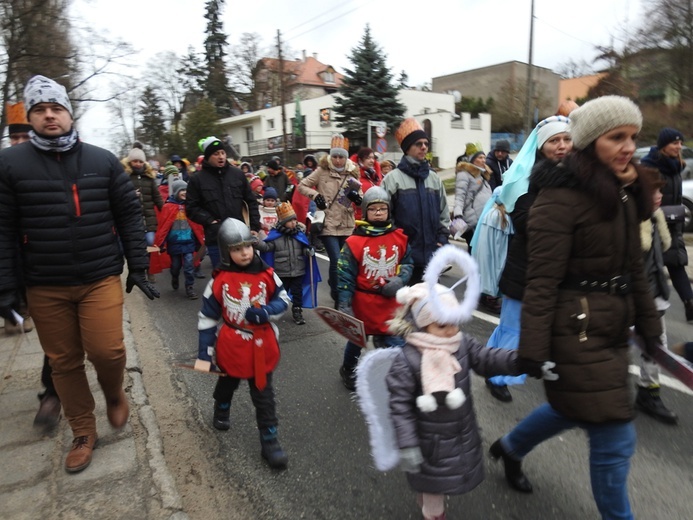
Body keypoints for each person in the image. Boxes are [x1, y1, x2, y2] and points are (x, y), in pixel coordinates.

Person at [489, 96, 662, 520]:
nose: (628, 147)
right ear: (589, 143)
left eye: (633, 137)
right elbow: (541, 280)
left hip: (612, 327)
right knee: (614, 434)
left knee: (573, 407)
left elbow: (633, 269)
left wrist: (650, 324)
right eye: (616, 137)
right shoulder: (557, 197)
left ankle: (509, 448)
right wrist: (532, 348)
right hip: (575, 330)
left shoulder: (622, 193)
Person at [0, 75, 159, 473]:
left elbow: (129, 214)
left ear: (69, 114)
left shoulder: (101, 160)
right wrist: (6, 287)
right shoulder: (10, 164)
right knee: (63, 362)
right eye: (39, 110)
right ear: (31, 117)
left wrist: (138, 264)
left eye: (56, 108)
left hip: (99, 275)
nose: (49, 115)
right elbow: (2, 228)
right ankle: (84, 431)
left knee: (107, 350)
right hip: (44, 283)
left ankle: (114, 393)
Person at [384, 246, 523, 520]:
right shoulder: (407, 360)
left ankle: (428, 502)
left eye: (454, 323)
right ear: (422, 325)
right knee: (435, 491)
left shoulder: (460, 343)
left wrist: (523, 360)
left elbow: (487, 358)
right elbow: (399, 406)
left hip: (460, 430)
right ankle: (433, 513)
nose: (450, 331)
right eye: (441, 325)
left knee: (437, 483)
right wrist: (408, 443)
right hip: (427, 441)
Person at [476, 115, 572, 402]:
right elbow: (525, 220)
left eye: (567, 139)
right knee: (513, 326)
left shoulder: (575, 173)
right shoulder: (528, 177)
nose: (562, 145)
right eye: (555, 140)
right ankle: (496, 374)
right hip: (525, 267)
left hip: (556, 268)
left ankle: (527, 364)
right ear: (542, 146)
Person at [196, 218, 290, 468]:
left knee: (264, 396)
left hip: (261, 346)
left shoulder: (267, 274)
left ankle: (270, 441)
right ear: (227, 252)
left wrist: (268, 311)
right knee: (227, 383)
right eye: (237, 249)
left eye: (247, 246)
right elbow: (207, 318)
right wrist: (204, 354)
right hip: (232, 345)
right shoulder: (218, 281)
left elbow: (284, 299)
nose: (245, 252)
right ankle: (222, 406)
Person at [4, 100, 61, 429]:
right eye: (14, 141)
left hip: (44, 271)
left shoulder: (49, 173)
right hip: (10, 270)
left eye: (25, 140)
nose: (19, 147)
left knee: (55, 338)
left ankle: (52, 392)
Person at [335, 187, 413, 390]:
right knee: (356, 342)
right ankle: (348, 369)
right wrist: (344, 302)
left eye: (382, 208)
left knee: (396, 341)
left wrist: (399, 280)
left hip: (389, 304)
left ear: (389, 210)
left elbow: (407, 264)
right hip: (363, 304)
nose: (378, 212)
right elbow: (345, 275)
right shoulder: (354, 242)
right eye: (373, 209)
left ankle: (399, 373)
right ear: (365, 211)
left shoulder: (399, 238)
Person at [381, 118, 450, 285]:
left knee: (429, 307)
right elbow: (383, 217)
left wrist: (442, 240)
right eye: (418, 144)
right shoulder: (392, 180)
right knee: (404, 307)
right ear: (407, 148)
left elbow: (444, 213)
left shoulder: (434, 179)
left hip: (431, 259)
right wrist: (396, 244)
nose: (424, 147)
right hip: (404, 260)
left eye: (425, 143)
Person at [634, 170, 678, 424]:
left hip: (652, 293)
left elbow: (661, 258)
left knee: (655, 342)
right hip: (626, 296)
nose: (660, 196)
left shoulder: (655, 218)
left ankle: (648, 392)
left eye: (660, 191)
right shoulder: (629, 222)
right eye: (654, 192)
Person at [298, 134, 362, 303]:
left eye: (341, 156)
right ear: (330, 156)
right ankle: (337, 294)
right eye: (335, 156)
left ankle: (342, 288)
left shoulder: (353, 172)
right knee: (335, 260)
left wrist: (358, 198)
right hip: (327, 223)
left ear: (346, 157)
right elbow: (302, 185)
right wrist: (315, 195)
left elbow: (360, 196)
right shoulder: (321, 171)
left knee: (346, 262)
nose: (338, 160)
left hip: (347, 223)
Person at [639, 128, 693, 322]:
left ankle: (690, 304)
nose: (679, 147)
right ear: (663, 146)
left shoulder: (676, 166)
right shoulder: (649, 167)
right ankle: (647, 311)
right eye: (674, 143)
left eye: (680, 143)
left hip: (674, 225)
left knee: (677, 264)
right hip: (654, 226)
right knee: (651, 269)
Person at [185, 136, 261, 269]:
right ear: (208, 157)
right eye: (216, 154)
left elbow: (251, 201)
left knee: (245, 278)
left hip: (241, 237)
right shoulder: (197, 180)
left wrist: (254, 227)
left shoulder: (237, 174)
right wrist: (209, 221)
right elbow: (191, 208)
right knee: (223, 278)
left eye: (222, 153)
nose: (221, 156)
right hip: (216, 238)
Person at [256, 202, 318, 326]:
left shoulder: (299, 234)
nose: (294, 222)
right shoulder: (276, 236)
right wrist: (256, 242)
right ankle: (275, 309)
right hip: (281, 272)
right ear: (283, 222)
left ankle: (297, 310)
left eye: (295, 219)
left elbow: (304, 248)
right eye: (291, 220)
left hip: (298, 270)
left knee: (297, 292)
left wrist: (308, 251)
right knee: (280, 293)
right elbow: (267, 247)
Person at [153, 180, 204, 300]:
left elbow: (197, 224)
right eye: (182, 190)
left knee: (188, 265)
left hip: (188, 242)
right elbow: (164, 227)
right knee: (175, 266)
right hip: (174, 242)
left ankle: (189, 287)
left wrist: (200, 241)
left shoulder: (190, 206)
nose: (185, 193)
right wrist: (161, 243)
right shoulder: (168, 207)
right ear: (176, 192)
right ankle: (174, 277)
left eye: (186, 190)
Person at [122, 144, 164, 282]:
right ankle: (139, 270)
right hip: (132, 219)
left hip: (149, 218)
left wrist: (165, 210)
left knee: (151, 243)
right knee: (137, 246)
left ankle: (149, 270)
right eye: (135, 161)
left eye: (140, 161)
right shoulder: (124, 178)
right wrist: (130, 195)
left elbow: (157, 197)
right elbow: (119, 196)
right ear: (130, 162)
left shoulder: (149, 178)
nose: (138, 164)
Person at [451, 151, 492, 254]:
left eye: (484, 157)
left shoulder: (482, 175)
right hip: (472, 220)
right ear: (472, 160)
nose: (483, 160)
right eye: (480, 158)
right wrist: (458, 214)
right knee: (474, 250)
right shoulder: (464, 175)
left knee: (481, 251)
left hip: (482, 219)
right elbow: (460, 196)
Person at [350, 147, 382, 220]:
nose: (371, 161)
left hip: (374, 216)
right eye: (368, 158)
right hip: (357, 217)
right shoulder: (354, 176)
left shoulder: (375, 177)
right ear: (360, 160)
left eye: (373, 158)